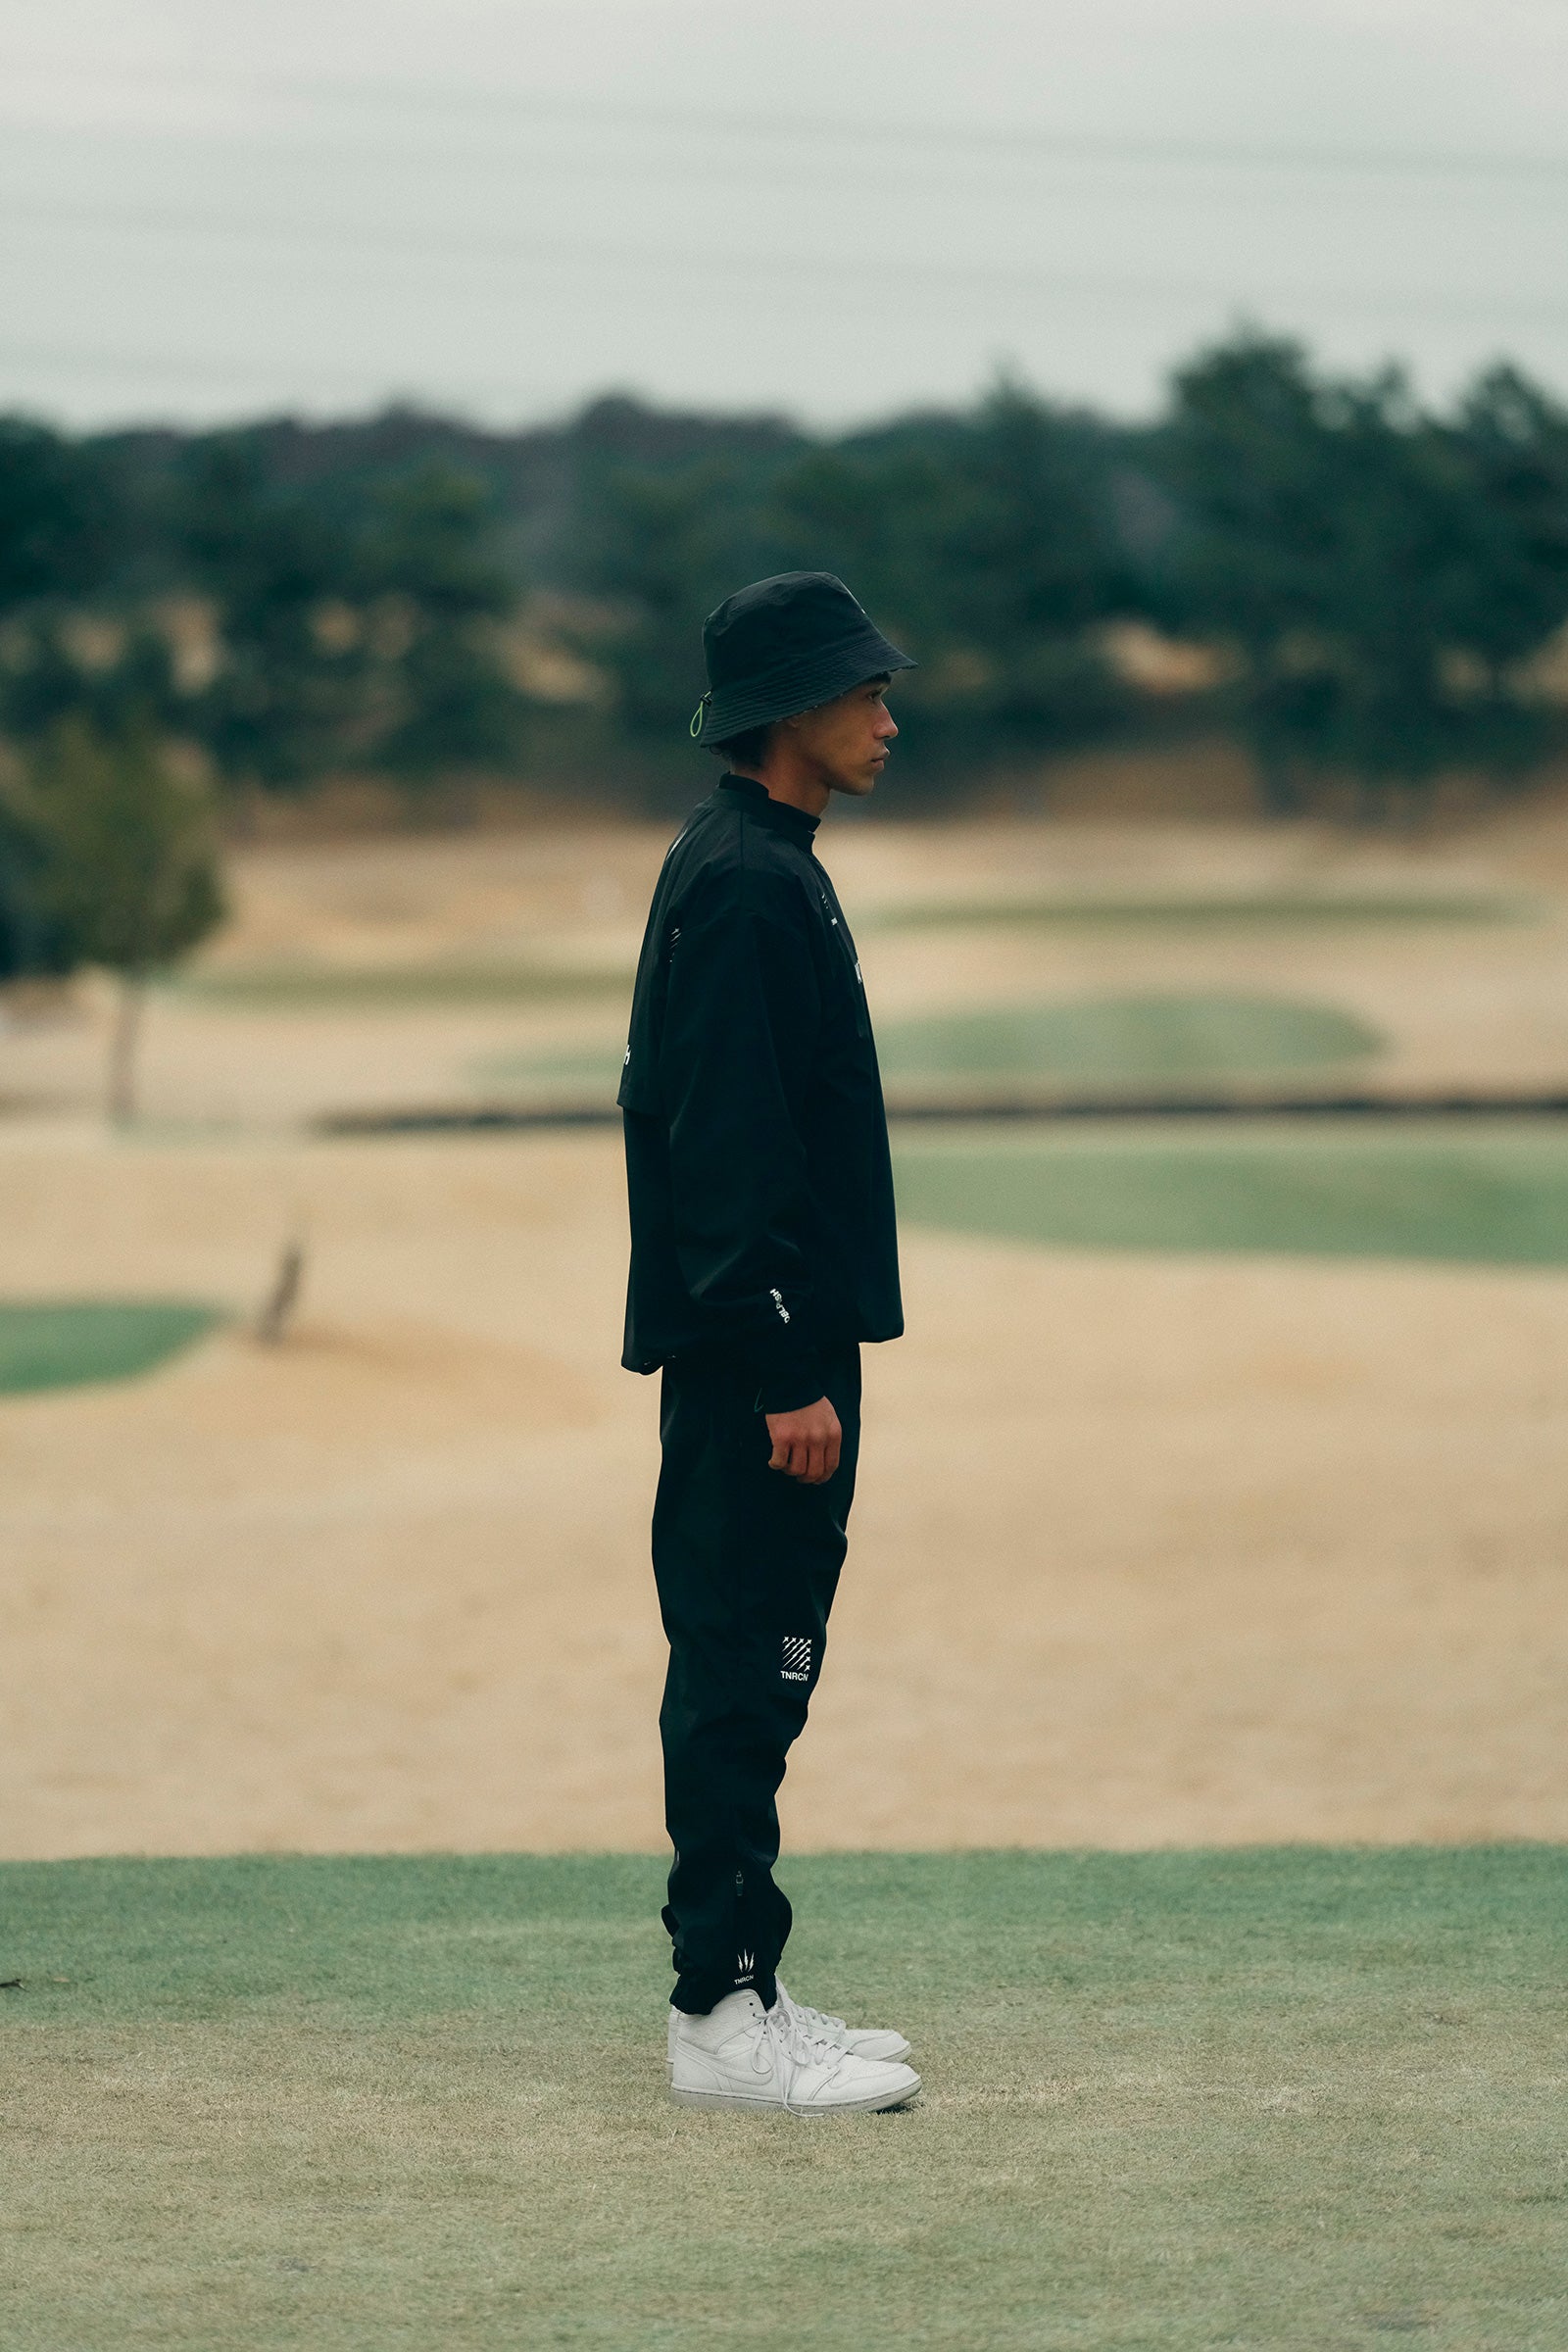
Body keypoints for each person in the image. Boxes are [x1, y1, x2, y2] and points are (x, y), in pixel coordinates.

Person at [618, 571, 922, 2115]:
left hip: (772, 1343)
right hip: (761, 1360)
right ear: (792, 712)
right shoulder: (744, 880)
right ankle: (719, 2015)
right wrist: (788, 1364)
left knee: (762, 1666)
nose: (887, 718)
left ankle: (747, 1983)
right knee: (743, 1668)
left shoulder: (761, 861)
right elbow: (726, 1148)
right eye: (863, 693)